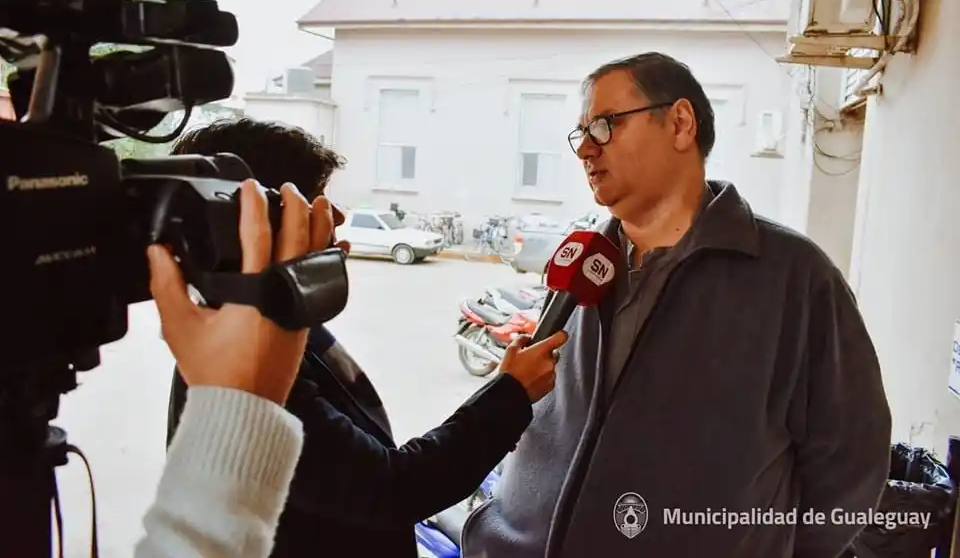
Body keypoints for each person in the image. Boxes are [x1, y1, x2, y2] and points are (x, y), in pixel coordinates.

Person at [461, 52, 892, 558]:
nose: (586, 151)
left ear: (681, 123)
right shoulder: (583, 264)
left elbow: (850, 463)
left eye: (604, 125)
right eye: (581, 134)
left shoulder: (793, 277)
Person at [164, 118, 568, 557]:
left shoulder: (276, 327)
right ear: (246, 221)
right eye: (310, 200)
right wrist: (509, 395)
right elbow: (390, 488)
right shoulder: (238, 364)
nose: (335, 217)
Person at [135, 178, 331, 557]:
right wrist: (242, 401)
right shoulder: (259, 349)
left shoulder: (270, 337)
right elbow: (389, 488)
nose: (331, 219)